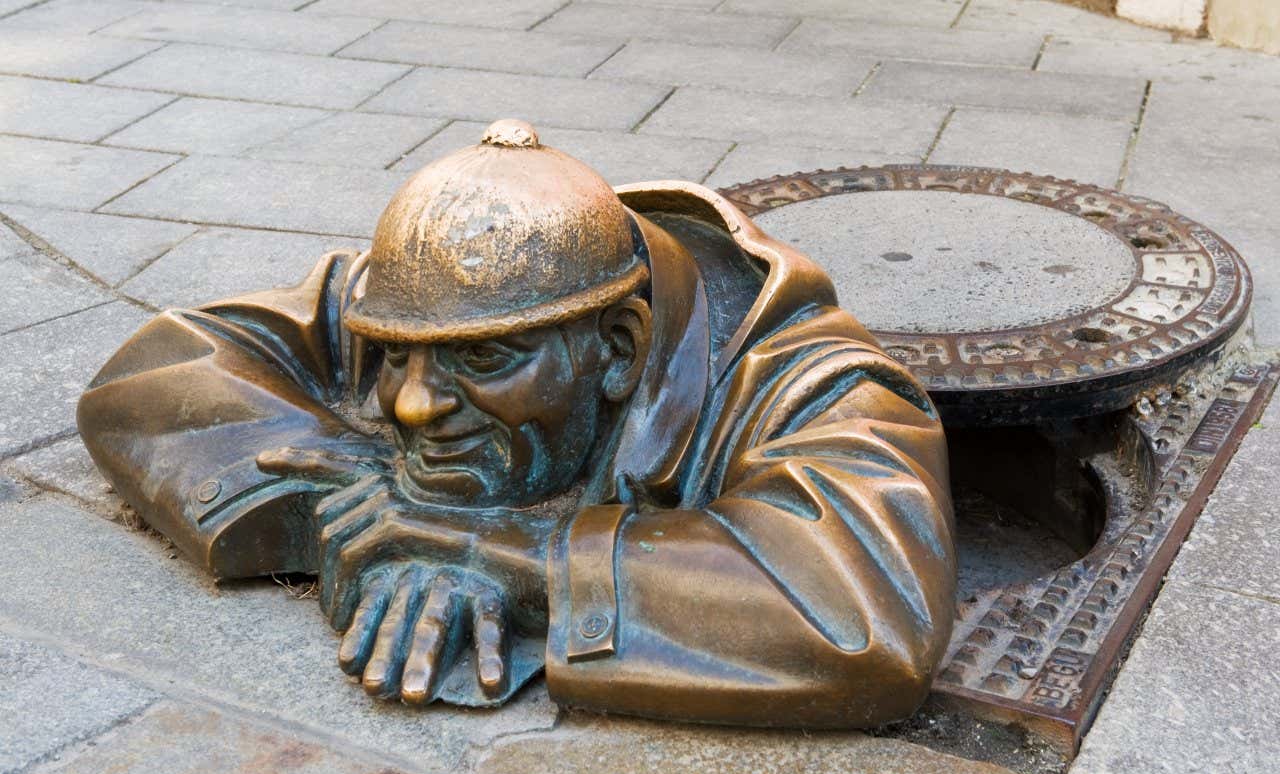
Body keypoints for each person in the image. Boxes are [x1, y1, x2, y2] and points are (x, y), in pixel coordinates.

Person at [78, 120, 956, 728]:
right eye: (395, 356)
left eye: (486, 363)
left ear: (619, 347)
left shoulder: (812, 381)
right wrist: (351, 500)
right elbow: (159, 370)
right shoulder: (427, 306)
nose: (415, 402)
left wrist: (514, 555)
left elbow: (865, 611)